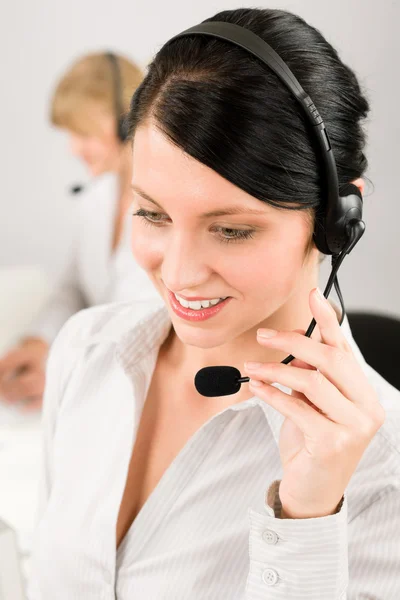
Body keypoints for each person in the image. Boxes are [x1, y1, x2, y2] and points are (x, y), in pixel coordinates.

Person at [28, 8, 400, 599]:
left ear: (337, 220)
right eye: (152, 214)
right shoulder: (86, 350)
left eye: (230, 230)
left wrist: (306, 517)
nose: (176, 272)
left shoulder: (383, 472)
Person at [0, 52, 160, 410]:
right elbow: (73, 288)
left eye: (83, 134)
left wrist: (62, 374)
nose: (74, 149)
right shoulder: (95, 197)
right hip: (88, 382)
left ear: (126, 123)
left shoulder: (171, 207)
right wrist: (38, 342)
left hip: (139, 394)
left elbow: (145, 327)